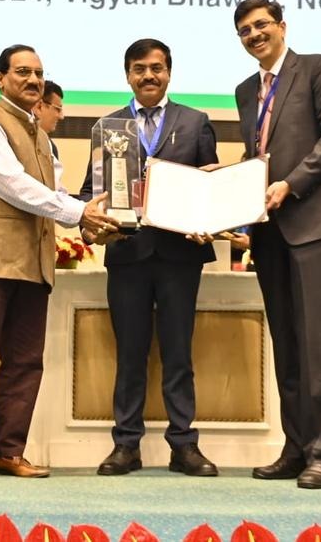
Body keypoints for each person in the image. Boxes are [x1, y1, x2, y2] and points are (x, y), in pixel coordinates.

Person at [0, 44, 119, 483]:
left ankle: (7, 451)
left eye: (39, 74)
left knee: (26, 362)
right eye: (23, 72)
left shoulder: (42, 136)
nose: (33, 80)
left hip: (33, 263)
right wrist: (79, 213)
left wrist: (94, 225)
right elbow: (12, 185)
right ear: (0, 78)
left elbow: (55, 198)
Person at [78, 38, 220, 477]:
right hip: (128, 253)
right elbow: (89, 193)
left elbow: (211, 187)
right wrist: (91, 224)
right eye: (139, 69)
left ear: (169, 73)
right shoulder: (107, 127)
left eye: (156, 68)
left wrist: (209, 216)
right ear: (128, 76)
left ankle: (184, 445)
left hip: (180, 254)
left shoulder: (195, 122)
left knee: (178, 354)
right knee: (130, 355)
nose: (149, 76)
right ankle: (126, 446)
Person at [231, 0, 321, 489]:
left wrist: (291, 182)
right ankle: (297, 446)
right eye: (245, 30)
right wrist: (228, 185)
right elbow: (259, 154)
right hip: (269, 231)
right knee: (286, 343)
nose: (254, 35)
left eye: (261, 24)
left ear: (282, 26)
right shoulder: (246, 91)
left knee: (316, 344)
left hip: (314, 224)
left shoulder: (316, 68)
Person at [34, 80, 66, 159]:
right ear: (40, 106)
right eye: (58, 109)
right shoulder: (18, 141)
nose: (61, 116)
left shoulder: (51, 147)